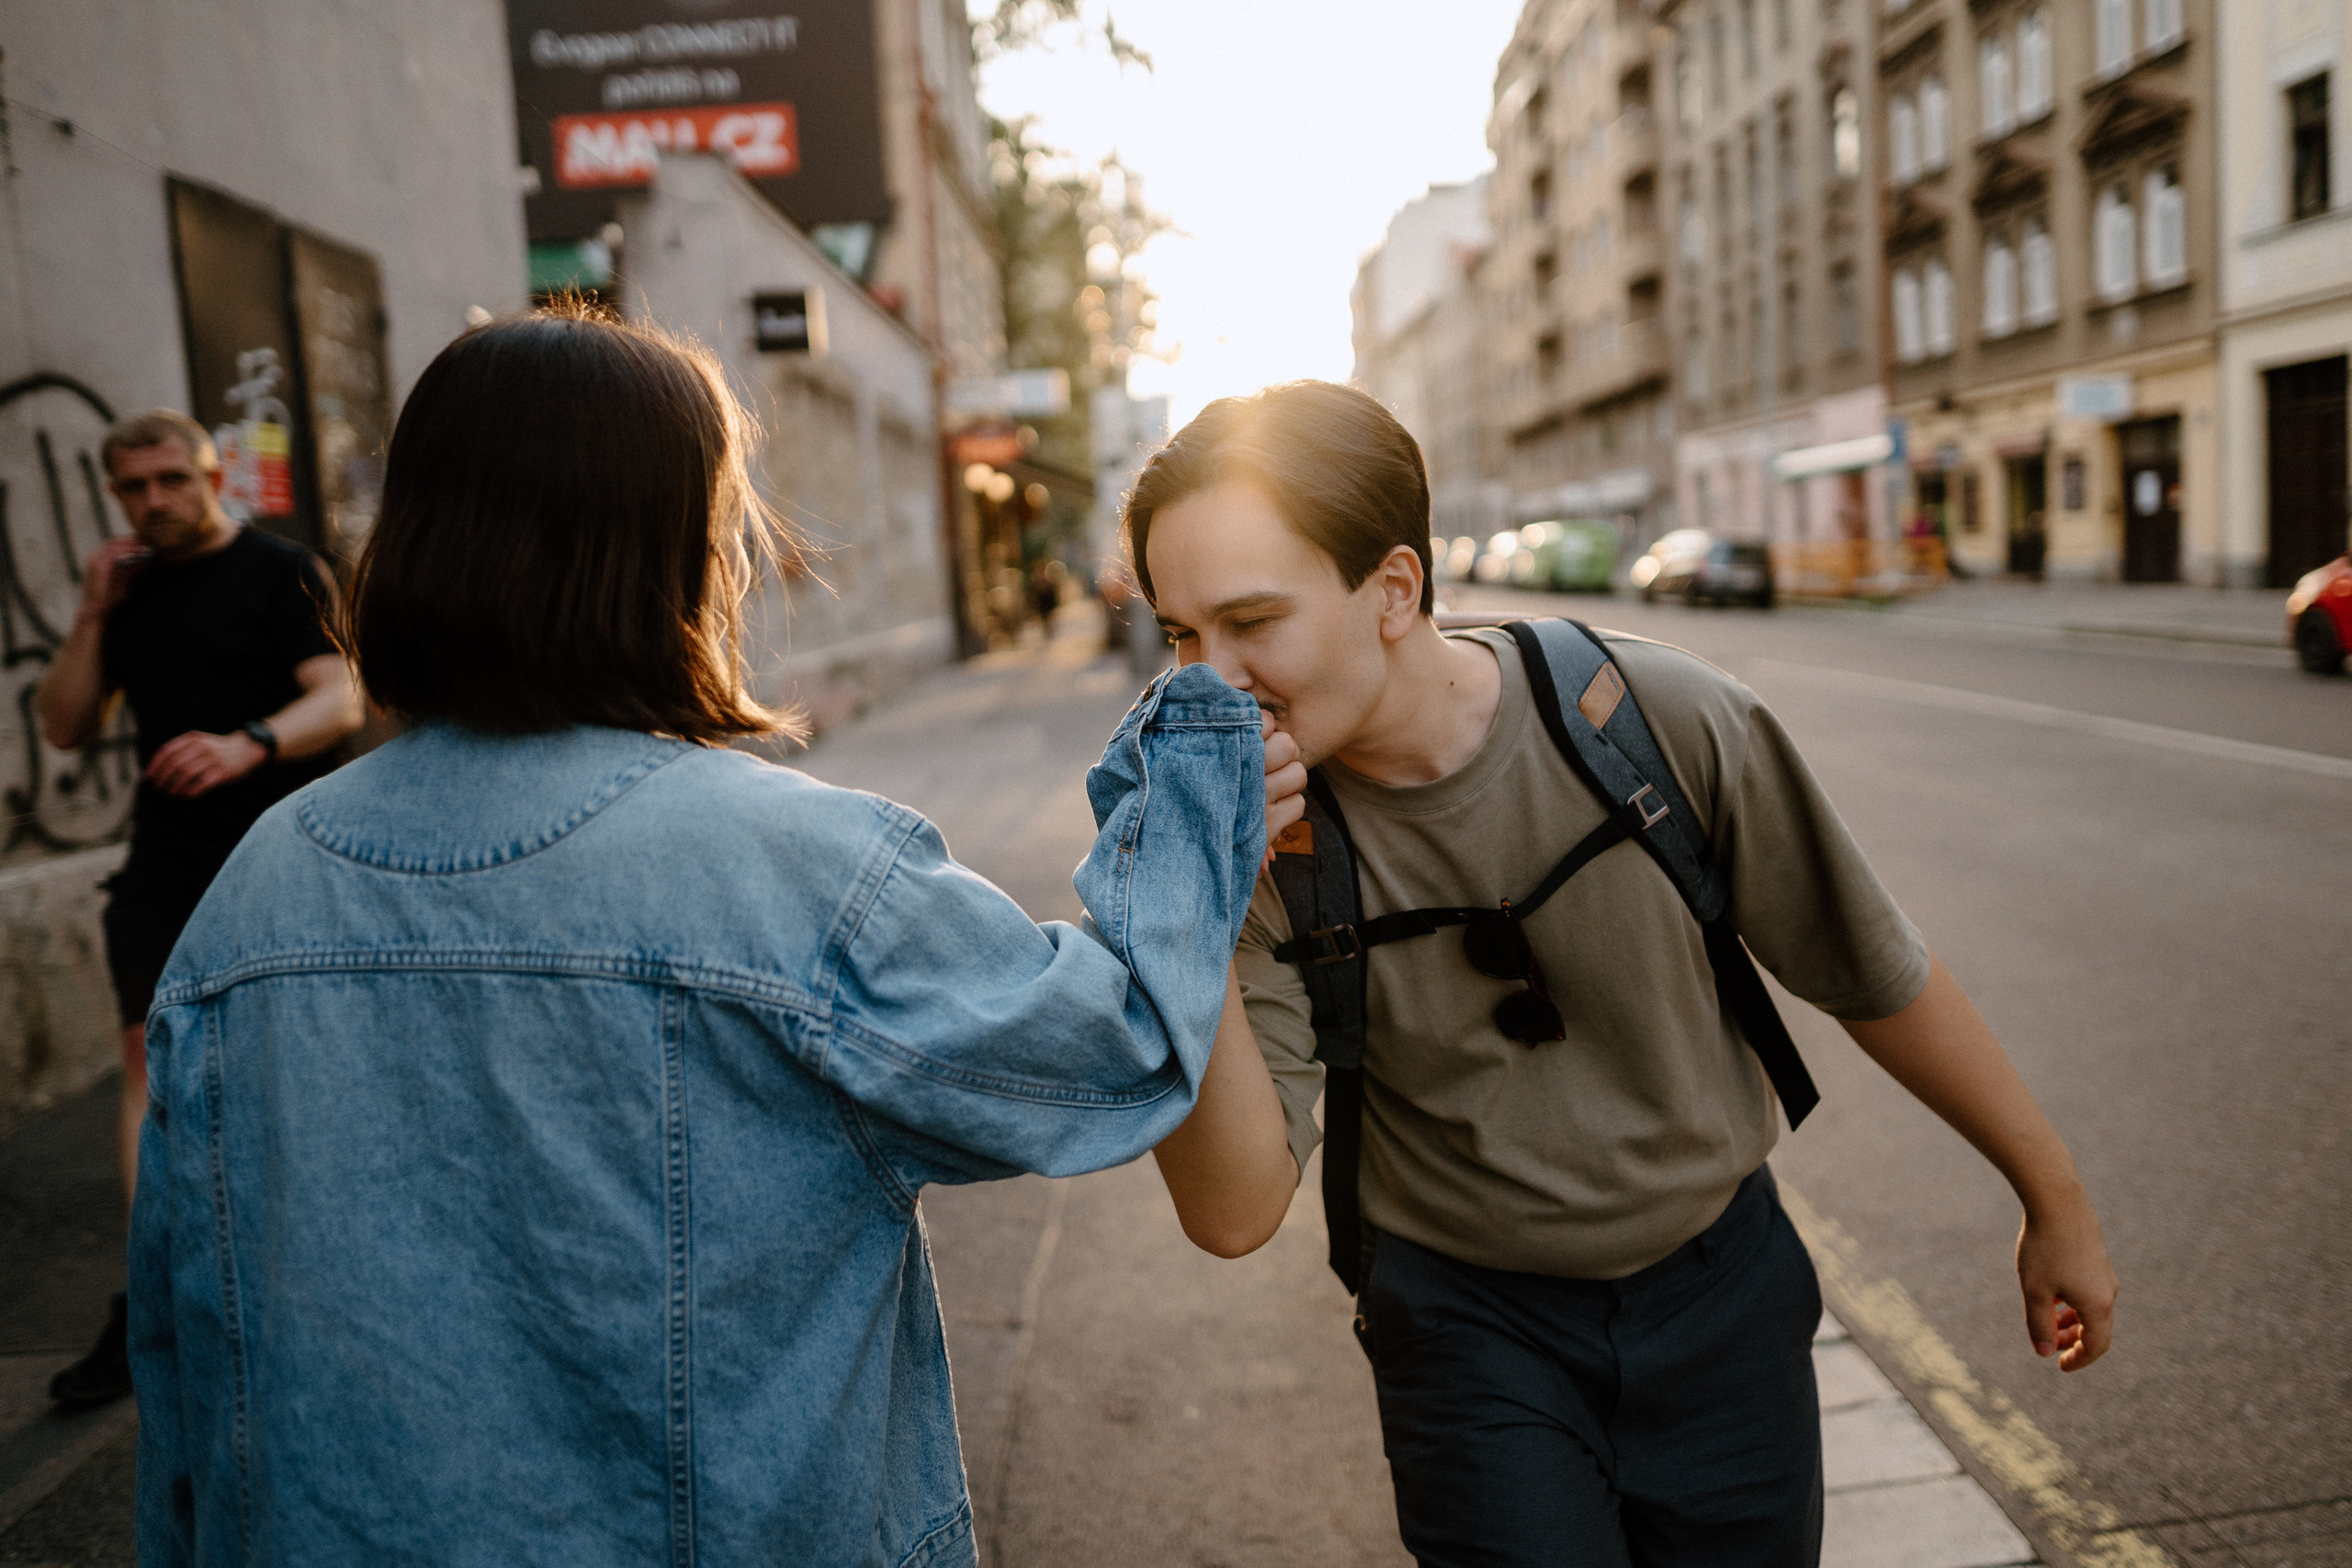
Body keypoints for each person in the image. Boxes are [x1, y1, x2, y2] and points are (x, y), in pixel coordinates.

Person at [127, 307, 1281, 1567]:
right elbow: (1115, 1049)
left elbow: (186, 1351)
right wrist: (1201, 771)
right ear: (680, 546)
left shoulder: (257, 892)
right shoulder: (797, 869)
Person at [1128, 381, 2120, 1568]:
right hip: (1464, 1328)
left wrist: (2050, 1193)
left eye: (1249, 620)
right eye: (1180, 635)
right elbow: (1233, 1212)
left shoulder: (1651, 717)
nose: (1205, 681)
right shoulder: (1251, 844)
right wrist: (1188, 909)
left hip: (1722, 1297)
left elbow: (1869, 963)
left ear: (1393, 589)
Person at [34, 409, 365, 1407]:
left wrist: (246, 743)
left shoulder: (281, 571)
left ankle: (311, 1287)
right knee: (149, 1063)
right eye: (133, 489)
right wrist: (93, 612)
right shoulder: (127, 594)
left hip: (283, 856)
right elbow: (61, 725)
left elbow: (342, 698)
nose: (154, 502)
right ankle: (151, 1304)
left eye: (171, 480)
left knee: (292, 1066)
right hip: (165, 862)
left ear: (213, 475)